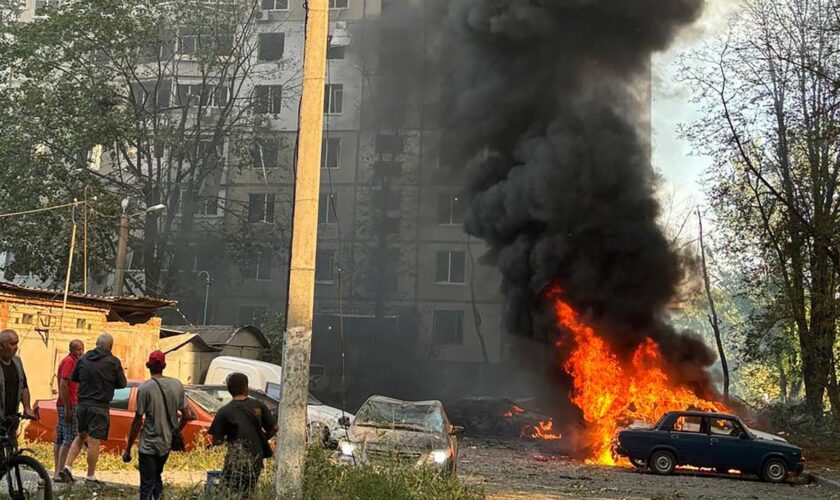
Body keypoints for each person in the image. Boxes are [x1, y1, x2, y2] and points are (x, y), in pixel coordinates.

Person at [123, 351, 188, 500]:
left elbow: (138, 421)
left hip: (148, 445)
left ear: (148, 366)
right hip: (165, 444)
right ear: (164, 366)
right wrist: (176, 431)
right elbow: (187, 415)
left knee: (146, 484)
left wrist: (128, 448)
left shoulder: (145, 388)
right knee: (156, 476)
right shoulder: (176, 385)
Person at [68, 333, 127, 485]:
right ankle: (90, 476)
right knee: (94, 440)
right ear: (110, 346)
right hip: (99, 406)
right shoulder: (113, 362)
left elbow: (74, 378)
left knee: (81, 435)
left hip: (82, 405)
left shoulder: (83, 359)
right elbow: (122, 383)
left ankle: (67, 467)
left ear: (95, 344)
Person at [209, 373, 277, 496]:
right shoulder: (258, 405)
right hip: (256, 458)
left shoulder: (224, 411)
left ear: (229, 390)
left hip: (234, 460)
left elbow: (216, 441)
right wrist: (261, 439)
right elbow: (274, 428)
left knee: (231, 492)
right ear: (246, 387)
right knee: (249, 490)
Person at [53, 339, 83, 483]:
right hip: (68, 404)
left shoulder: (71, 361)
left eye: (82, 349)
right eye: (78, 349)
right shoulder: (69, 362)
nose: (81, 352)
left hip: (67, 404)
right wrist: (68, 407)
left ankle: (58, 472)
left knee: (60, 437)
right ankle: (60, 472)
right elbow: (63, 384)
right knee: (68, 438)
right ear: (72, 349)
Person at [0, 330, 34, 443]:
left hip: (10, 419)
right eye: (12, 344)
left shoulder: (17, 362)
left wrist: (27, 407)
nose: (16, 347)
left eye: (16, 343)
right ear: (1, 346)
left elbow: (23, 386)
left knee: (10, 453)